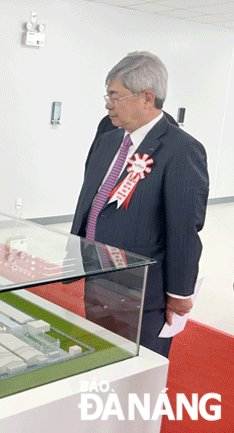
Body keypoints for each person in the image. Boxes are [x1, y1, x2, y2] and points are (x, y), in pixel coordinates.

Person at [71, 51, 209, 357]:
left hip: (142, 291)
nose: (108, 104)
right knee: (100, 358)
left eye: (115, 96)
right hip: (98, 277)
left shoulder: (182, 150)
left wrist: (179, 292)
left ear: (147, 98)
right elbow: (90, 200)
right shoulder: (108, 138)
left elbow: (184, 229)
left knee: (137, 375)